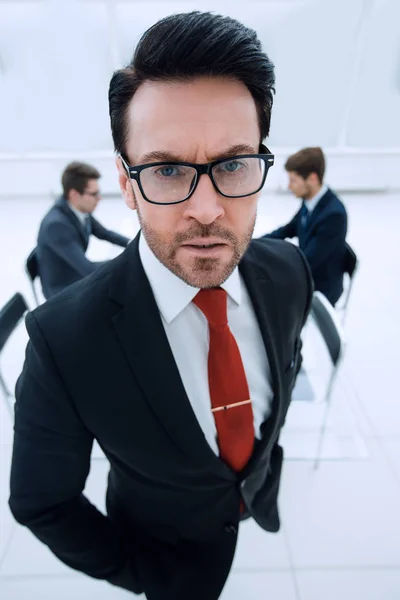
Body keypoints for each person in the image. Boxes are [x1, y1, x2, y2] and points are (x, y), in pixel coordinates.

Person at [9, 12, 313, 600]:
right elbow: (41, 502)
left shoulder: (288, 273)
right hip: (166, 553)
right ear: (125, 183)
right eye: (168, 170)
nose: (206, 208)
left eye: (231, 164)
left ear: (260, 166)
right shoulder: (63, 342)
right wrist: (145, 573)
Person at [265, 147, 347, 305]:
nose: (289, 186)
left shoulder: (334, 215)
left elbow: (308, 261)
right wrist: (257, 243)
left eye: (293, 180)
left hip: (321, 288)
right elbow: (288, 229)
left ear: (312, 179)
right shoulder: (310, 199)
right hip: (309, 271)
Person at [36, 161, 130, 298]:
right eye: (94, 194)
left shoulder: (77, 209)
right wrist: (129, 260)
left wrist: (133, 243)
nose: (99, 198)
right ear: (74, 194)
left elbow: (104, 233)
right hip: (62, 291)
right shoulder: (56, 226)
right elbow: (88, 269)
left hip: (74, 274)